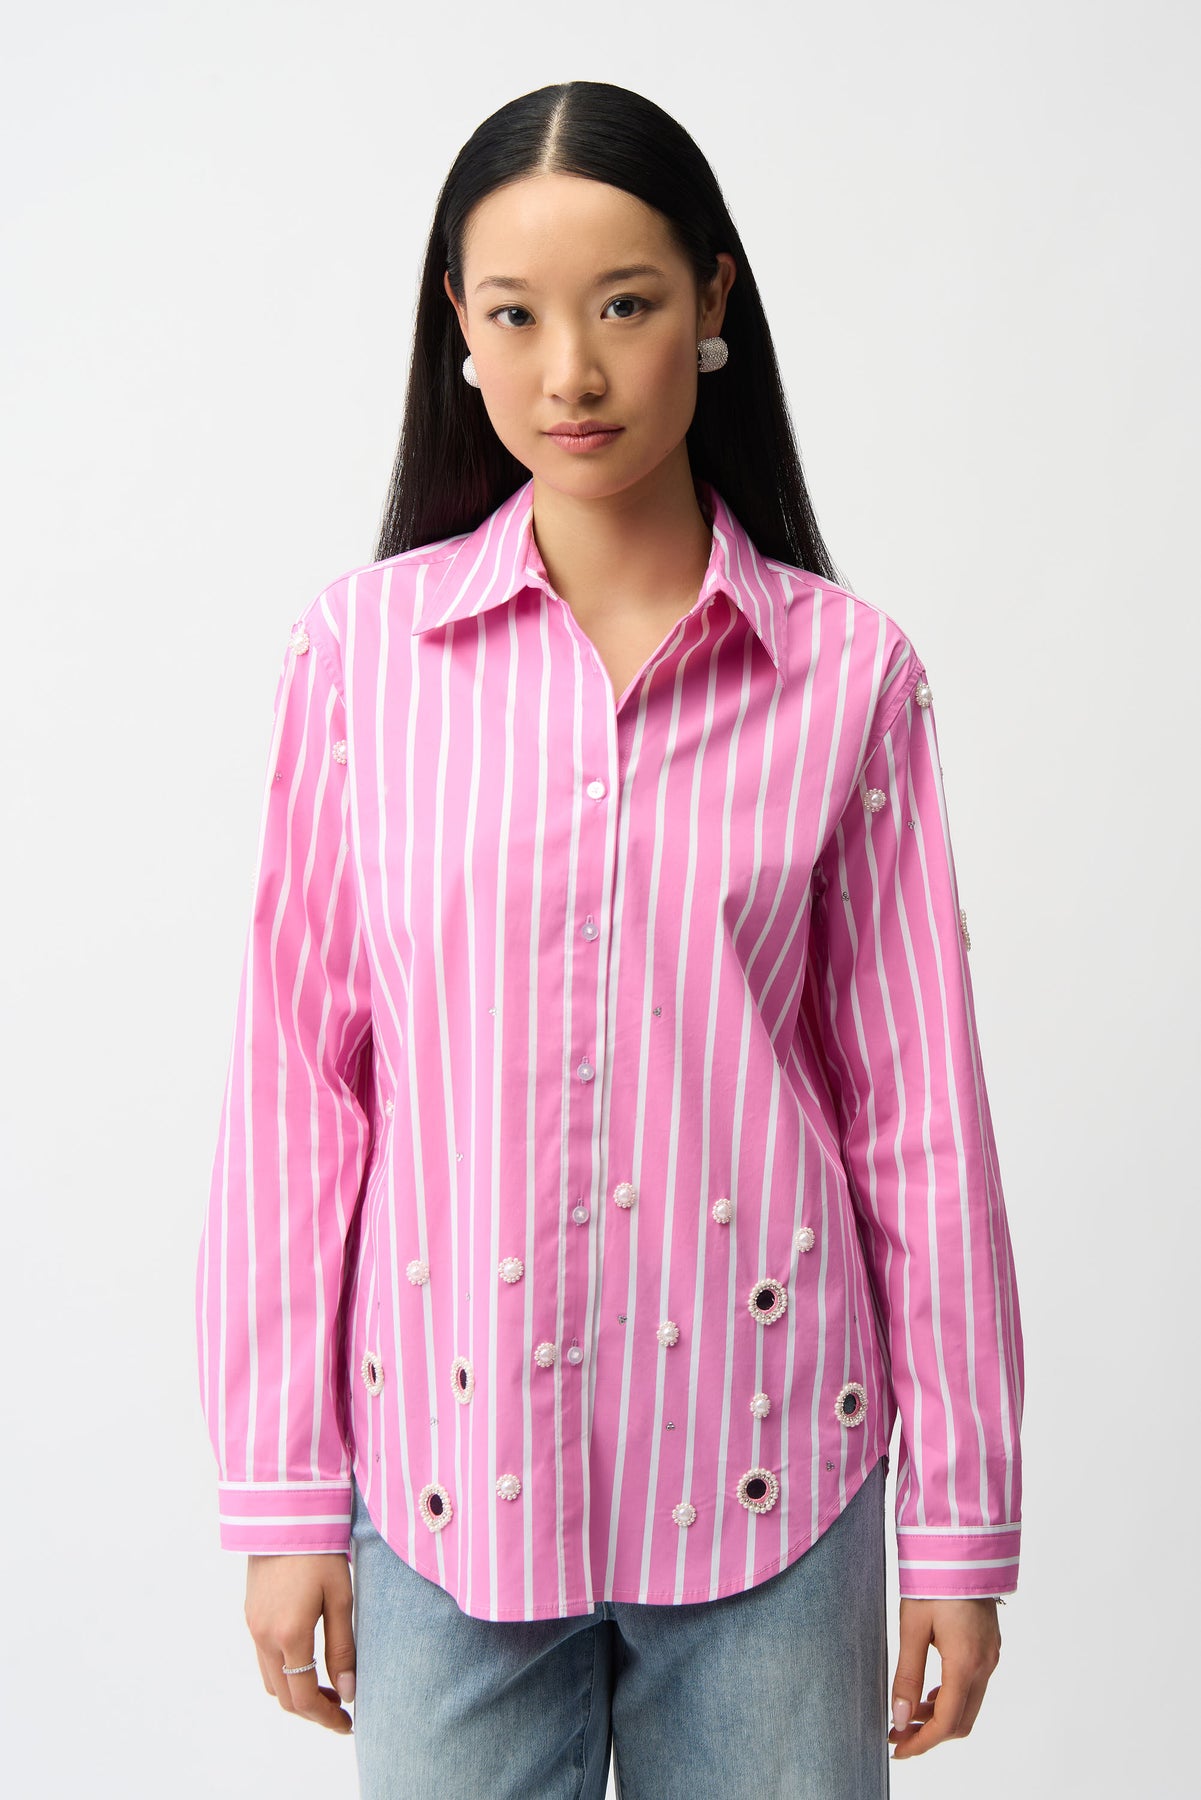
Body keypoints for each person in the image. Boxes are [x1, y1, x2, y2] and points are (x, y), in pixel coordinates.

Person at [195, 79, 1024, 1799]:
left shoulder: (846, 676)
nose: (567, 371)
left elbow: (916, 1119)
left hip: (773, 1476)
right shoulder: (357, 664)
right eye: (514, 315)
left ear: (712, 300)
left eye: (624, 305)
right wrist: (281, 1496)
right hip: (442, 1481)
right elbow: (297, 1095)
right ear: (457, 325)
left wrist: (957, 1526)